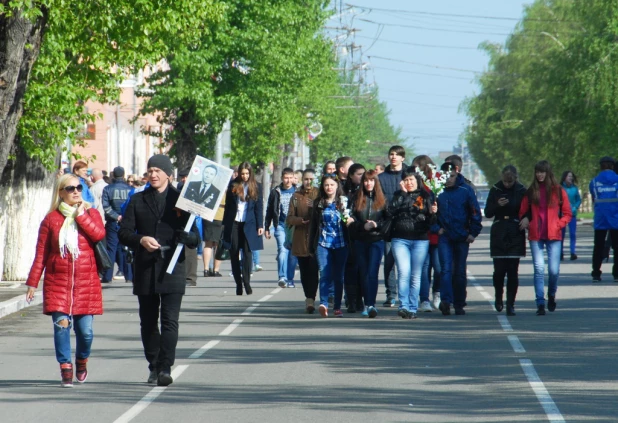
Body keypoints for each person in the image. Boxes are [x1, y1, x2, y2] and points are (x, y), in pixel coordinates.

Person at [118, 154, 201, 386]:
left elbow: (196, 239)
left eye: (158, 170)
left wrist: (189, 236)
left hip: (173, 267)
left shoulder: (183, 201)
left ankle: (165, 367)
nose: (153, 175)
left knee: (169, 320)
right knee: (147, 321)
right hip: (145, 268)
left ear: (168, 174)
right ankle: (153, 365)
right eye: (150, 170)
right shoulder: (137, 200)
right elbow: (124, 233)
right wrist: (141, 239)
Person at [25, 174, 106, 387]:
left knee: (85, 332)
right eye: (70, 189)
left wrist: (81, 217)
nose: (76, 191)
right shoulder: (51, 219)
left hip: (86, 282)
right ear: (61, 193)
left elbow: (98, 235)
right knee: (61, 326)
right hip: (57, 282)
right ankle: (65, 367)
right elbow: (41, 253)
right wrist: (33, 282)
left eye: (79, 187)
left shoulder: (91, 213)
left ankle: (81, 361)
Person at [519, 160, 572, 315]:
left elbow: (568, 213)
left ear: (548, 173)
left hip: (554, 235)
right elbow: (522, 212)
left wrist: (558, 224)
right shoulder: (530, 192)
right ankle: (540, 302)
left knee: (554, 270)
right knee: (539, 268)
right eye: (537, 172)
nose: (539, 174)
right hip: (536, 235)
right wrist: (527, 221)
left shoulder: (558, 191)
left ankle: (551, 294)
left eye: (542, 172)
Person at [435, 163, 483, 316]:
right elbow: (430, 214)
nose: (448, 179)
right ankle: (446, 302)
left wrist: (472, 233)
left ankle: (459, 303)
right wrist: (437, 228)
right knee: (445, 269)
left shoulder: (466, 190)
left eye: (451, 176)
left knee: (459, 271)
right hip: (445, 236)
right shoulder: (437, 190)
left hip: (462, 236)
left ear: (457, 173)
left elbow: (475, 212)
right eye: (446, 176)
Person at [388, 169, 436, 319]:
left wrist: (434, 213)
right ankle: (403, 306)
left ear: (417, 181)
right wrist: (402, 194)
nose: (409, 183)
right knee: (403, 272)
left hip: (420, 240)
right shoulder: (398, 195)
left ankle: (413, 307)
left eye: (412, 180)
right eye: (406, 180)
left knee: (415, 275)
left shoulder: (425, 196)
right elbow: (391, 212)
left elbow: (432, 223)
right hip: (400, 239)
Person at [308, 174, 355, 318]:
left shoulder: (344, 202)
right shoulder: (319, 203)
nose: (329, 187)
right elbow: (314, 226)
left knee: (338, 276)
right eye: (326, 185)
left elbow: (350, 222)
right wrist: (311, 245)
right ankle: (323, 304)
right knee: (325, 273)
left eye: (332, 185)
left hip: (341, 243)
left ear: (337, 186)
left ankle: (337, 307)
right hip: (323, 244)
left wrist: (347, 217)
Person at [484, 165, 527, 316]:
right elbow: (488, 212)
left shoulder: (521, 190)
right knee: (499, 271)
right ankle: (498, 297)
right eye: (505, 182)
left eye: (510, 182)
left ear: (515, 178)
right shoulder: (495, 189)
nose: (507, 184)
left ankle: (511, 304)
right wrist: (497, 205)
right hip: (499, 230)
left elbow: (529, 210)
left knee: (513, 272)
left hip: (515, 230)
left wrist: (527, 218)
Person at [222, 162, 264, 295]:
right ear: (239, 173)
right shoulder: (233, 185)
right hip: (234, 223)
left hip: (249, 223)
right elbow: (228, 206)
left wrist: (260, 225)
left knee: (247, 253)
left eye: (247, 173)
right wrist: (225, 224)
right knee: (234, 252)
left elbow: (259, 207)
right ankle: (238, 283)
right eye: (242, 173)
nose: (245, 176)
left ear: (250, 173)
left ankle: (246, 281)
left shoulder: (256, 186)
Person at [350, 170, 388, 318]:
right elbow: (351, 218)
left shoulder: (382, 199)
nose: (368, 183)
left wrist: (377, 225)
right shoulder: (356, 198)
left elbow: (388, 220)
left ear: (375, 182)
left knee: (372, 273)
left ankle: (371, 304)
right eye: (366, 180)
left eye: (371, 180)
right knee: (364, 273)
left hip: (376, 240)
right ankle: (367, 304)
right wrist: (362, 226)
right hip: (360, 240)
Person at [378, 145, 408, 307]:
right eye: (391, 154)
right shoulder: (382, 178)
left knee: (407, 263)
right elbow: (380, 202)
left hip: (409, 225)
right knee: (389, 261)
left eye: (397, 155)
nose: (394, 157)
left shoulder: (409, 175)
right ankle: (391, 295)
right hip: (389, 225)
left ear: (403, 158)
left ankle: (408, 294)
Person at [286, 169, 320, 313]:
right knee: (304, 271)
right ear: (302, 180)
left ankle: (312, 297)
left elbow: (324, 212)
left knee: (314, 270)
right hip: (300, 239)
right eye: (306, 179)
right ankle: (308, 298)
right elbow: (289, 218)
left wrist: (315, 207)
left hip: (315, 239)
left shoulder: (319, 194)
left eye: (311, 179)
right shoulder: (296, 196)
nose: (308, 182)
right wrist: (300, 220)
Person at [412, 155, 441, 312]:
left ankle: (437, 292)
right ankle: (424, 299)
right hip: (422, 233)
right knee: (423, 268)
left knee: (438, 268)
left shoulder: (438, 182)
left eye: (417, 167)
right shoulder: (416, 184)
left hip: (437, 233)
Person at [265, 168, 297, 288]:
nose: (288, 180)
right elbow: (269, 210)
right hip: (280, 225)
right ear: (282, 178)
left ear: (293, 178)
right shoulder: (276, 192)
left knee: (293, 254)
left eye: (290, 177)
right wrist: (267, 227)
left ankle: (290, 278)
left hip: (294, 226)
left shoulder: (297, 191)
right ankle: (282, 277)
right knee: (283, 250)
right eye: (286, 178)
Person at [101, 167, 133, 284]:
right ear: (123, 175)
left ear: (113, 175)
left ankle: (107, 276)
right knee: (126, 249)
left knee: (111, 249)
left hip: (112, 222)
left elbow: (106, 207)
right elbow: (132, 206)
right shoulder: (130, 189)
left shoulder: (108, 189)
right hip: (126, 222)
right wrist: (125, 217)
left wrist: (116, 216)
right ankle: (129, 276)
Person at [589, 156, 618, 282]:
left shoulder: (594, 182)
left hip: (600, 218)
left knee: (598, 246)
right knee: (617, 247)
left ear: (601, 166)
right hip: (615, 217)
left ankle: (596, 272)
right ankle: (616, 273)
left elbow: (594, 197)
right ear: (612, 166)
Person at [202, 188, 226, 277]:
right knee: (217, 245)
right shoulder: (224, 190)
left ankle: (206, 269)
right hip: (220, 217)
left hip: (208, 216)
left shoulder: (208, 189)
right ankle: (216, 270)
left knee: (208, 244)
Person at [560, 170, 582, 261]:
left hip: (572, 214)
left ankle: (573, 252)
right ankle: (560, 252)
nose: (571, 178)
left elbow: (578, 200)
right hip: (562, 215)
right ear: (564, 177)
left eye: (571, 176)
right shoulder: (560, 188)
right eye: (569, 176)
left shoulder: (575, 188)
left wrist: (575, 207)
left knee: (573, 234)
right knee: (561, 234)